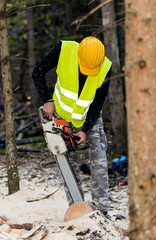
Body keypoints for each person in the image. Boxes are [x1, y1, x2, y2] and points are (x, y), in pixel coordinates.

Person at [32, 36, 112, 217]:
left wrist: (85, 128)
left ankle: (101, 209)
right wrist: (47, 99)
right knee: (67, 163)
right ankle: (76, 208)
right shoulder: (64, 49)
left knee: (99, 160)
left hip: (89, 117)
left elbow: (98, 102)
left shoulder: (105, 66)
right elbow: (37, 72)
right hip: (61, 115)